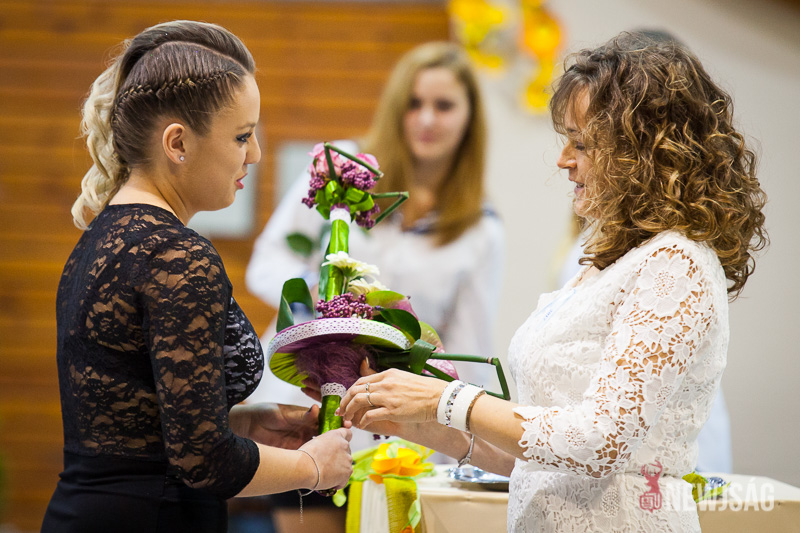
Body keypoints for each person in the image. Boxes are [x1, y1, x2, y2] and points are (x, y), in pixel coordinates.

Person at [338, 32, 768, 532]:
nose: (564, 159)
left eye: (581, 143)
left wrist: (444, 399)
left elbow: (601, 440)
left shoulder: (676, 264)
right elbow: (542, 456)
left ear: (641, 153)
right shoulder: (608, 265)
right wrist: (423, 425)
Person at [41, 20, 353, 533]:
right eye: (242, 136)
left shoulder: (101, 237)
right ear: (178, 142)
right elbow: (203, 463)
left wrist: (242, 424)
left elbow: (135, 429)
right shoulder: (177, 255)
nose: (254, 154)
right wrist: (313, 467)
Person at [245, 41, 505, 394]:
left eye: (444, 106)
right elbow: (266, 263)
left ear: (470, 116)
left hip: (389, 404)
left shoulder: (481, 228)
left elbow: (465, 355)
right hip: (298, 387)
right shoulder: (341, 167)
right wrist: (318, 291)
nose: (427, 119)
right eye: (413, 103)